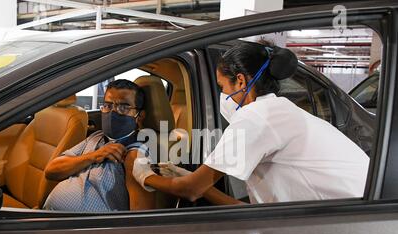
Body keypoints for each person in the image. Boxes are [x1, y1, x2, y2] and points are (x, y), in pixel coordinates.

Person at [132, 42, 370, 204]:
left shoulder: (257, 117)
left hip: (351, 223)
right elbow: (247, 211)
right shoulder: (278, 110)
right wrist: (183, 176)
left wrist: (143, 175)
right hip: (348, 215)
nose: (222, 96)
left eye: (222, 87)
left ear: (241, 81)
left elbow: (190, 190)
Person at [43, 79, 155, 212]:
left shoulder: (135, 154)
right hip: (49, 217)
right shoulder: (96, 137)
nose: (113, 112)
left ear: (139, 116)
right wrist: (94, 156)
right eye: (108, 105)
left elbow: (140, 219)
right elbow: (51, 171)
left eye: (124, 107)